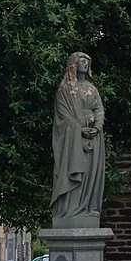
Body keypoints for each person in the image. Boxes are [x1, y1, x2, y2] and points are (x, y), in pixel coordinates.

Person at [51, 52, 105, 222]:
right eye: (82, 60)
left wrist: (96, 127)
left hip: (93, 138)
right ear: (73, 64)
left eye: (88, 61)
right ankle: (71, 209)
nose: (85, 63)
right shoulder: (65, 89)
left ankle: (88, 207)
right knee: (75, 172)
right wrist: (79, 128)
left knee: (91, 173)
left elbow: (99, 110)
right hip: (73, 139)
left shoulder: (92, 89)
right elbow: (63, 115)